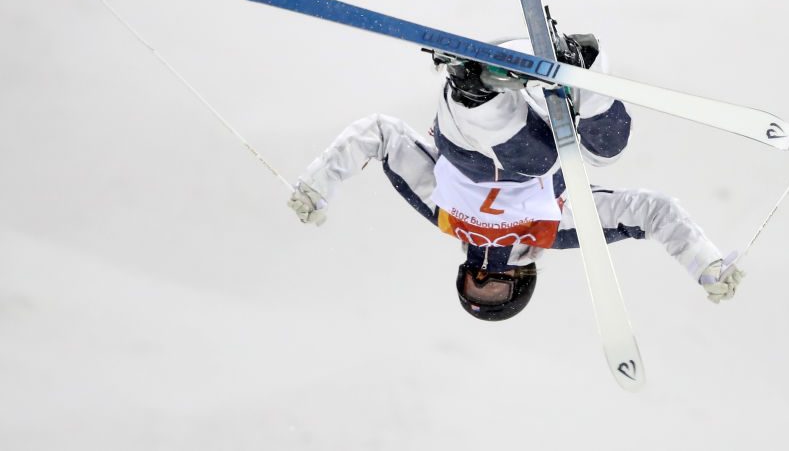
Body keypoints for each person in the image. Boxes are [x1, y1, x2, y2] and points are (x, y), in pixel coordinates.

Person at [287, 32, 743, 320]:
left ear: (462, 273)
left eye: (474, 284)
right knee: (605, 151)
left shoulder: (444, 216)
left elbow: (382, 136)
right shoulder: (558, 230)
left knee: (536, 163)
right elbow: (651, 213)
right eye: (497, 287)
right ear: (522, 281)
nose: (487, 276)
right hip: (545, 110)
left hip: (465, 135)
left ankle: (475, 89)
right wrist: (704, 262)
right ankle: (580, 68)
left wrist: (316, 186)